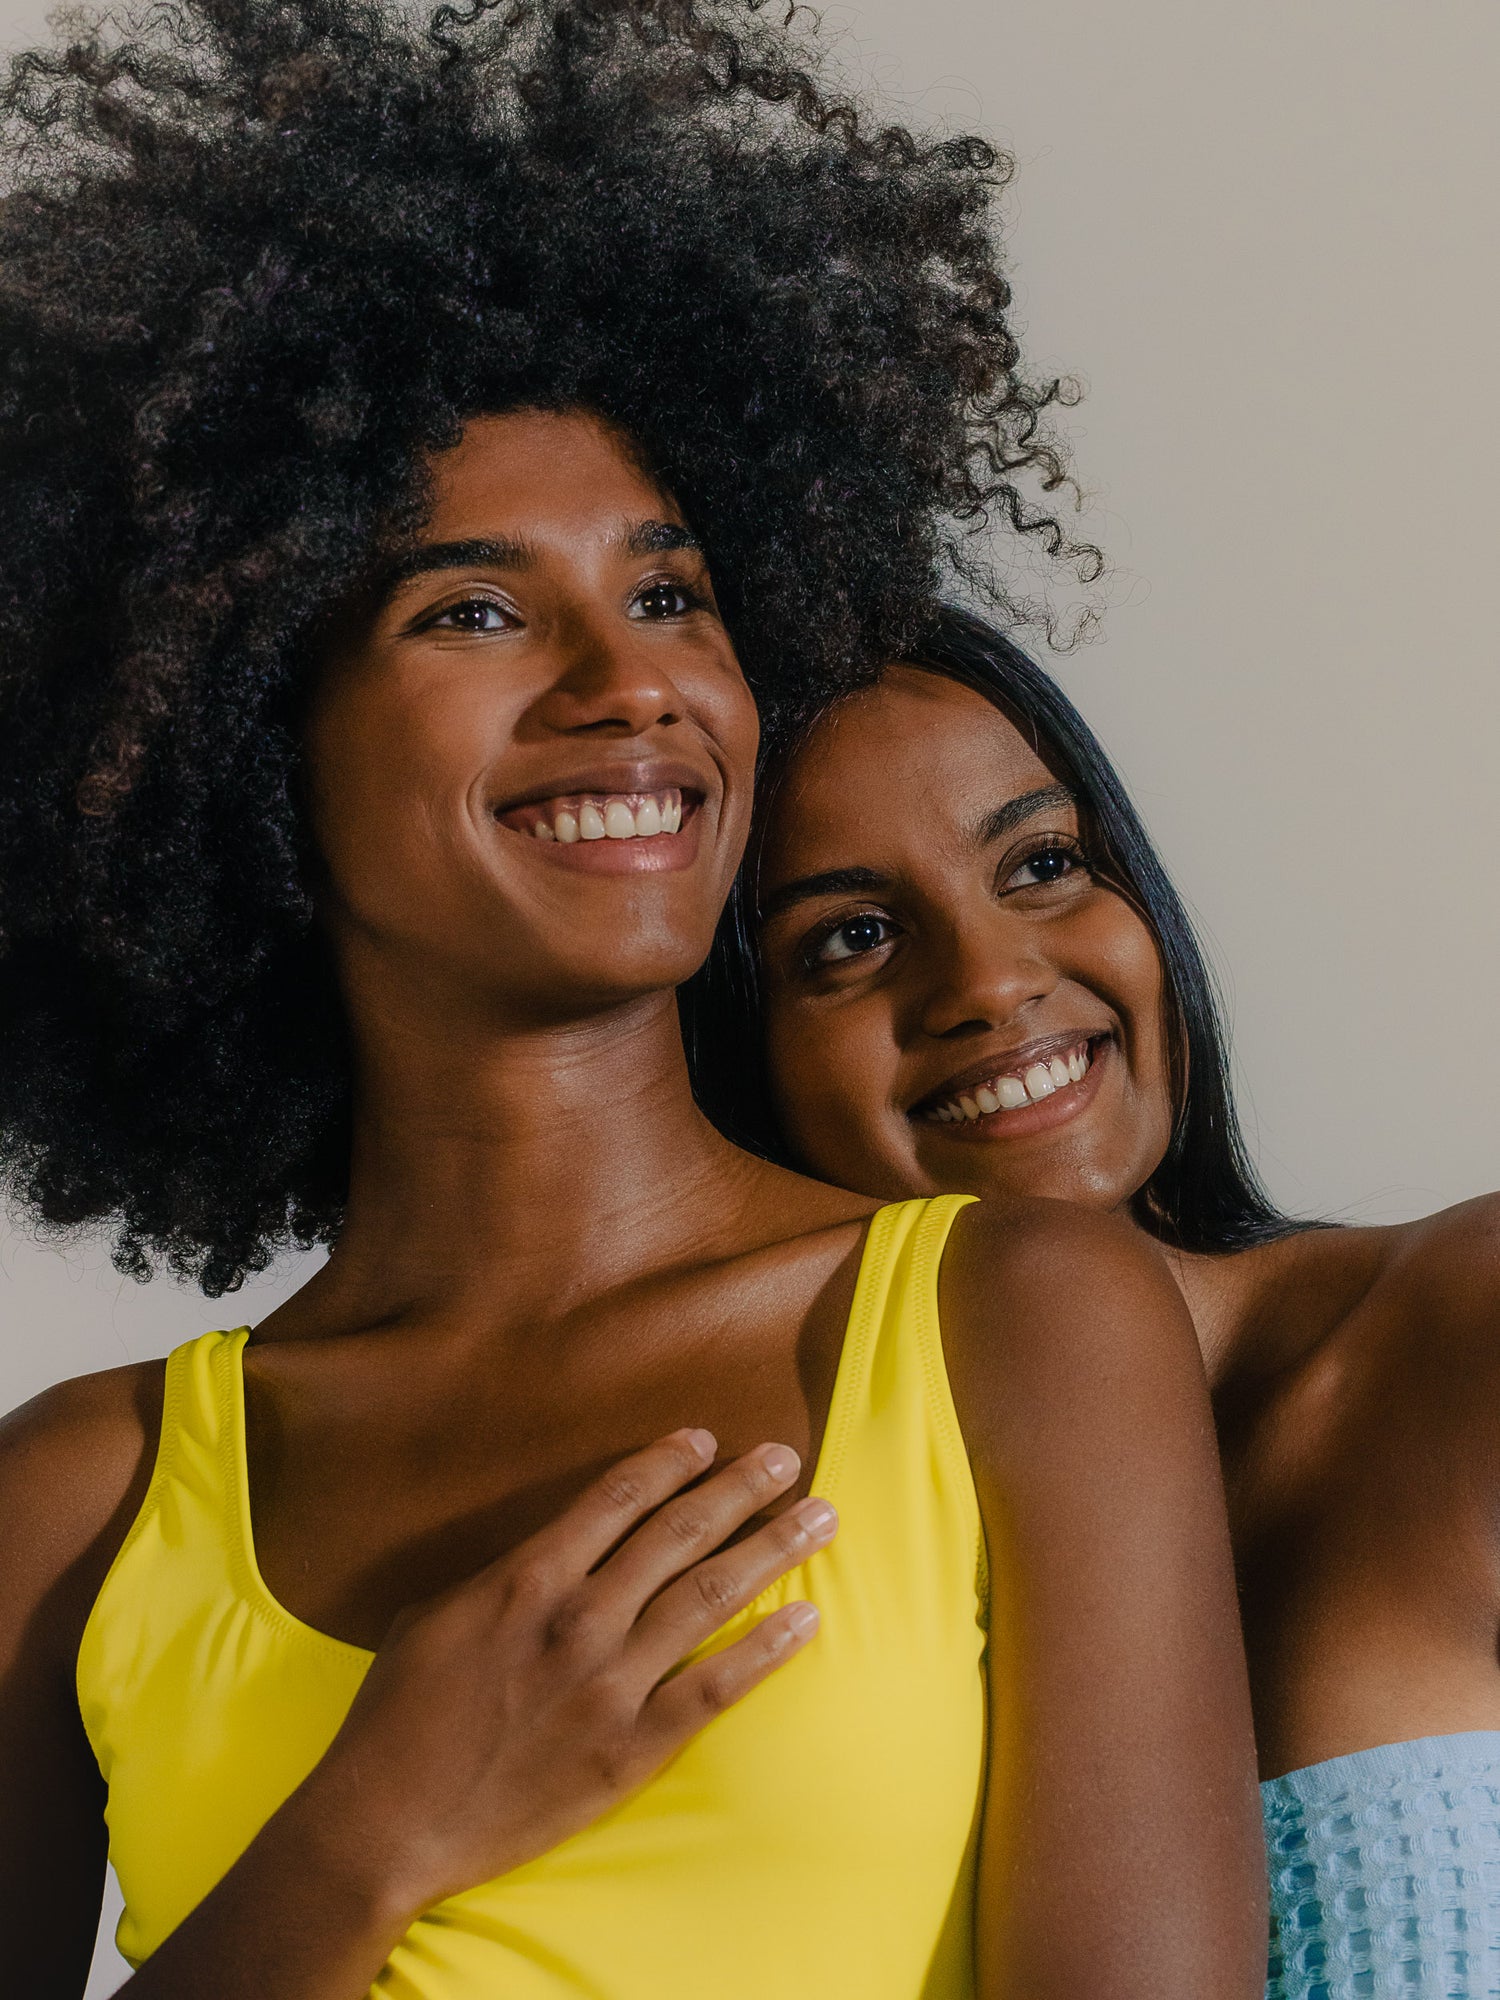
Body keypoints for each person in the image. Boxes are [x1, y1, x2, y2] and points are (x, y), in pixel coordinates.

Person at [0, 3, 1266, 1995]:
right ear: (228, 739)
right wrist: (373, 1827)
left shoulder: (1005, 1325)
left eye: (670, 594)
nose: (632, 684)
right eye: (479, 610)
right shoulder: (86, 1501)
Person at [692, 602, 1500, 2000]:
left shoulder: (1462, 1333)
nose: (993, 982)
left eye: (1045, 864)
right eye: (852, 938)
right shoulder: (764, 1588)